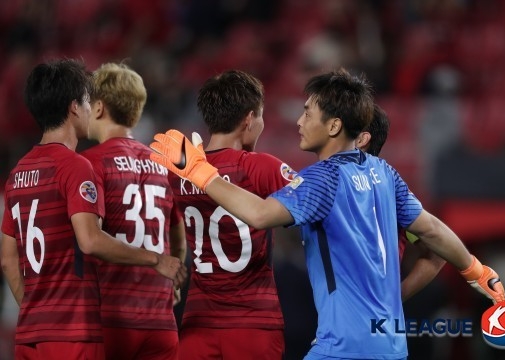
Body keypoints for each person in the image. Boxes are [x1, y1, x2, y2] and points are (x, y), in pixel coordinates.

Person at [150, 68, 505, 360]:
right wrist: (476, 269)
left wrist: (200, 172)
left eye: (308, 112)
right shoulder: (385, 174)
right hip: (391, 346)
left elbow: (259, 215)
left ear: (334, 126)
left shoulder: (319, 180)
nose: (300, 120)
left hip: (342, 348)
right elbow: (433, 232)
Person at [0, 58, 185, 360]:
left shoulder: (18, 173)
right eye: (86, 100)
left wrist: (36, 312)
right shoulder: (80, 167)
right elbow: (91, 240)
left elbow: (8, 260)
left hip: (41, 329)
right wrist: (161, 263)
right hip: (109, 324)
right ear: (75, 107)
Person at [168, 69, 295, 359]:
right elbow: (318, 201)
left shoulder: (180, 173)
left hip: (197, 324)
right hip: (253, 323)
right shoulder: (260, 167)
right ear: (249, 118)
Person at [80, 62, 187, 360]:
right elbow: (178, 237)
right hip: (160, 322)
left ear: (99, 107)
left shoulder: (89, 163)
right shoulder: (162, 164)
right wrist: (172, 277)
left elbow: (90, 238)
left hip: (110, 318)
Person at [356, 104, 446, 301]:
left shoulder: (391, 196)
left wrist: (396, 297)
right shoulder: (327, 183)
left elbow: (437, 251)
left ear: (361, 139)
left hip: (370, 322)